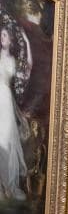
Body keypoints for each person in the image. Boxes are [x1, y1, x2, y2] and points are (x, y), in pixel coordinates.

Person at [0, 24, 30, 201]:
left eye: (4, 35)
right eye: (1, 35)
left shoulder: (12, 60)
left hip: (4, 100)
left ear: (10, 40)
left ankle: (8, 184)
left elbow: (27, 68)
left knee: (5, 142)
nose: (1, 37)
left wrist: (26, 42)